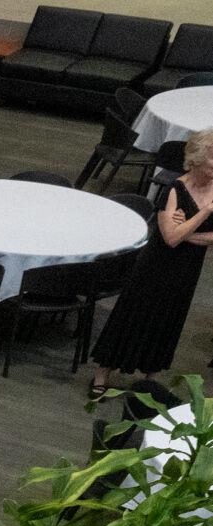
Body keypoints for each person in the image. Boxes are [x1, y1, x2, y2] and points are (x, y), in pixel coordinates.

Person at [89, 130, 213, 393]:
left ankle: (150, 378)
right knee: (134, 314)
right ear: (197, 159)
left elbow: (188, 236)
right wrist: (205, 212)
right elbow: (170, 238)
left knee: (169, 318)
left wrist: (186, 230)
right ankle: (101, 374)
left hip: (187, 269)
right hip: (156, 265)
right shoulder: (174, 188)